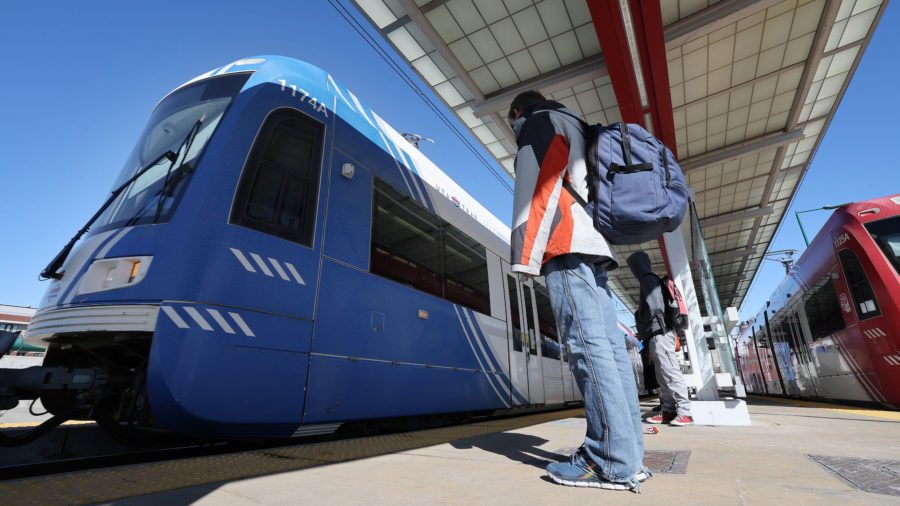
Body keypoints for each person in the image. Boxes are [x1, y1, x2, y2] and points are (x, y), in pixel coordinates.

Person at [508, 90, 647, 492]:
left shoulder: (539, 122)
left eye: (511, 121)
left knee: (589, 349)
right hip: (594, 246)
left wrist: (524, 257)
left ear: (517, 112)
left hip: (566, 245)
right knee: (610, 352)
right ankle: (628, 456)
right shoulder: (577, 125)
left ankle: (609, 461)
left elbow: (538, 188)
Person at [626, 251, 694, 426]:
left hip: (660, 334)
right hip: (656, 335)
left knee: (670, 372)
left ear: (639, 265)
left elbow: (654, 307)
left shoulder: (648, 279)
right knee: (663, 376)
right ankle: (668, 410)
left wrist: (639, 318)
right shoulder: (648, 279)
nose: (633, 271)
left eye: (633, 267)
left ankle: (685, 412)